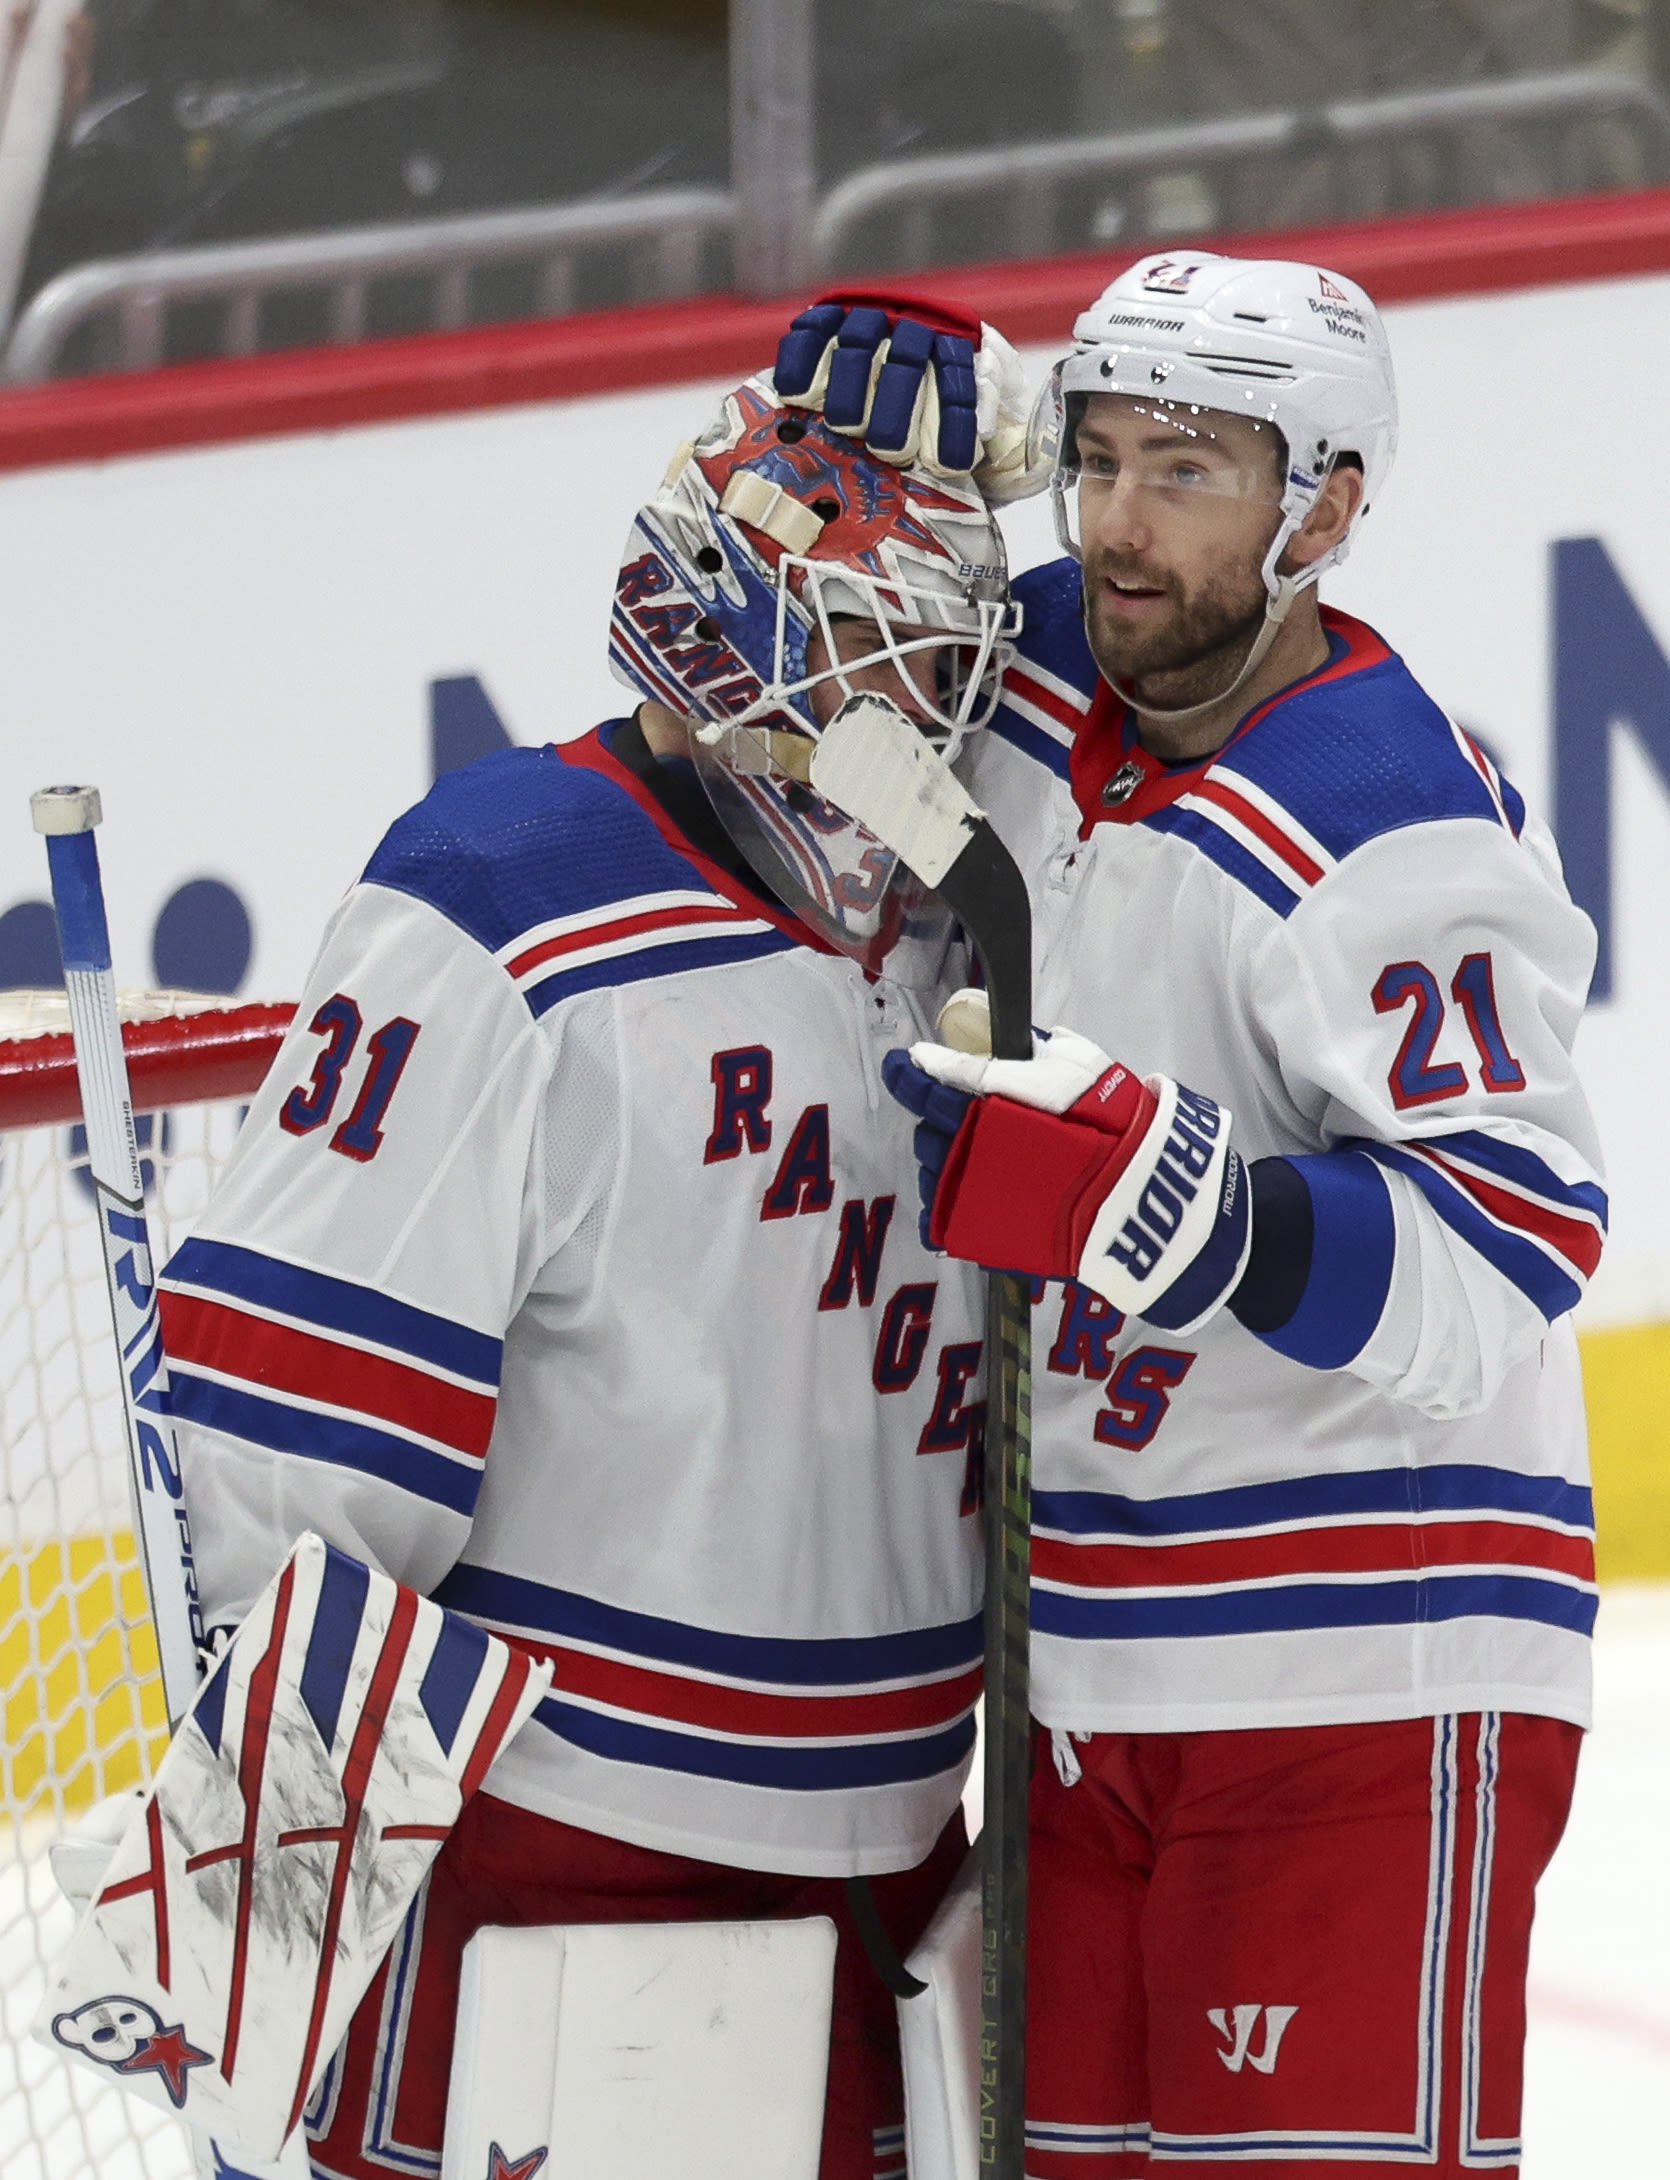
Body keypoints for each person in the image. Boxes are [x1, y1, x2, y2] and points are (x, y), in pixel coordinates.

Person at [777, 255, 1605, 2177]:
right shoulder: (1033, 658)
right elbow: (827, 609)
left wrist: (1191, 1207)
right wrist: (915, 417)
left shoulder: (1402, 818)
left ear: (1320, 508)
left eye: (1190, 472)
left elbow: (1515, 1245)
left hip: (1357, 1680)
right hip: (1070, 1671)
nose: (1121, 526)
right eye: (1097, 462)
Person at [158, 374, 1017, 2180]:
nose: (925, 722)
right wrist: (280, 1894)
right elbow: (293, 1428)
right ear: (728, 629)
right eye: (878, 658)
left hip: (904, 1852)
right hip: (568, 1861)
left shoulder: (960, 921)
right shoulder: (503, 895)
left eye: (946, 671)